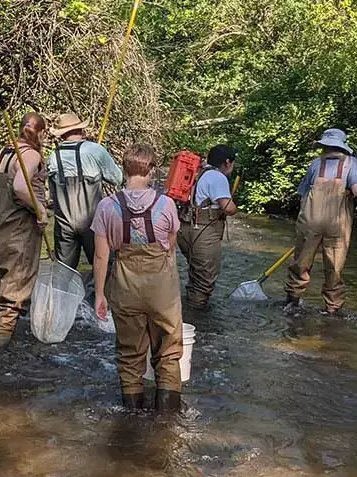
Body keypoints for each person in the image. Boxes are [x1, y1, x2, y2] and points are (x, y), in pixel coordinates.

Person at [92, 144, 183, 412]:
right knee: (168, 352)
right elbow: (171, 246)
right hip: (162, 289)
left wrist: (99, 294)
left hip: (124, 285)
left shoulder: (106, 206)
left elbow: (100, 257)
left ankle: (131, 417)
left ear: (124, 168)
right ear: (152, 171)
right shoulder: (166, 204)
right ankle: (167, 419)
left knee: (130, 353)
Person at [284, 128, 357, 315]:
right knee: (334, 267)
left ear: (324, 146)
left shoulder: (315, 164)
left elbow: (303, 196)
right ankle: (332, 309)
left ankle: (292, 302)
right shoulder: (352, 164)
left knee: (301, 263)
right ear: (343, 146)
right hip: (337, 224)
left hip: (310, 221)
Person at [0, 113, 48, 348]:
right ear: (42, 133)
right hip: (19, 236)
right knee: (11, 303)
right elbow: (19, 187)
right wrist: (41, 211)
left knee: (3, 292)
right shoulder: (32, 155)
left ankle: (2, 342)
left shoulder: (5, 153)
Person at [47, 112, 124, 270]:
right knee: (104, 268)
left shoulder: (53, 158)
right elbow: (117, 178)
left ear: (62, 135)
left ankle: (64, 295)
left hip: (64, 226)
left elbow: (52, 194)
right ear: (81, 130)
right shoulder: (95, 150)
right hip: (93, 224)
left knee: (64, 273)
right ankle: (102, 294)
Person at [177, 144, 239, 309]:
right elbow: (228, 208)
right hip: (203, 232)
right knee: (204, 282)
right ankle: (196, 323)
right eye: (232, 164)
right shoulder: (217, 177)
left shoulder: (199, 172)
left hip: (185, 229)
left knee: (196, 275)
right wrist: (235, 205)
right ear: (227, 162)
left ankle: (187, 310)